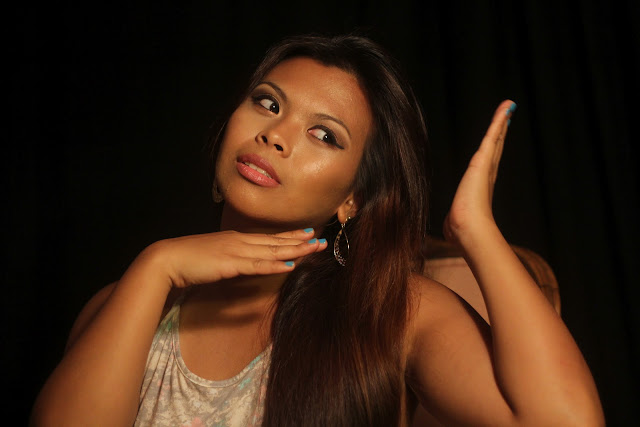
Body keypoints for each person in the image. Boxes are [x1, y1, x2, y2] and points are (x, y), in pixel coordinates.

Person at [31, 34, 604, 426]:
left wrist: (475, 229)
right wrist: (157, 265)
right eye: (267, 103)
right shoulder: (127, 301)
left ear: (352, 199)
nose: (274, 135)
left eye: (324, 134)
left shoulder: (390, 310)